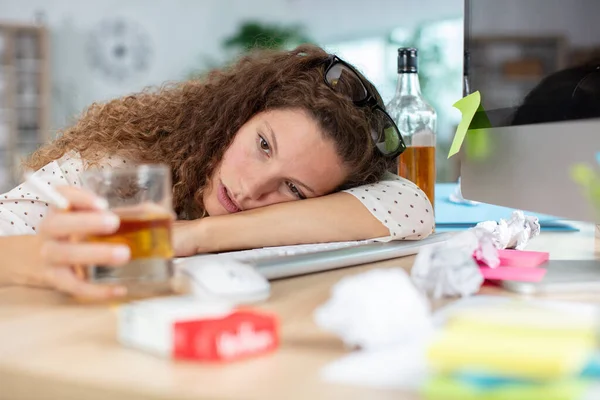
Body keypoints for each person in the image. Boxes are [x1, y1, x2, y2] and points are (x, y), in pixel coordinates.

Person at [0, 44, 434, 299]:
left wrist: (193, 236)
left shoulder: (234, 211)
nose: (249, 190)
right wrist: (41, 256)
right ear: (237, 115)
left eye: (294, 189)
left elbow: (410, 206)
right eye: (263, 145)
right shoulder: (121, 167)